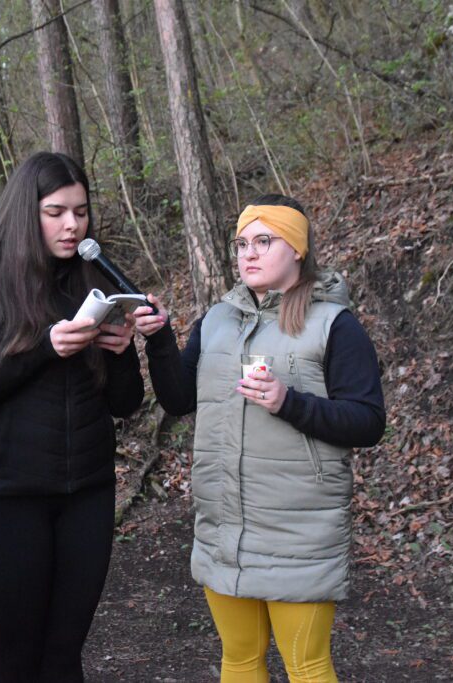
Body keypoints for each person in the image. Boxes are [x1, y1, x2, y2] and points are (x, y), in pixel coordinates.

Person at [136, 194, 385, 683]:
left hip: (298, 532)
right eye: (241, 243)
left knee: (306, 665)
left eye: (264, 241)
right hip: (224, 526)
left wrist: (288, 402)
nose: (248, 253)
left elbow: (368, 421)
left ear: (297, 248)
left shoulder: (334, 324)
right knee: (240, 659)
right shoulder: (217, 320)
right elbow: (179, 399)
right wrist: (160, 339)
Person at [0, 151, 144, 682]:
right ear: (26, 213)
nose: (72, 225)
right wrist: (42, 348)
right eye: (56, 212)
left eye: (81, 211)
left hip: (88, 493)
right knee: (15, 659)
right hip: (9, 496)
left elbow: (125, 404)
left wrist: (123, 353)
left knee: (63, 657)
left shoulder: (95, 278)